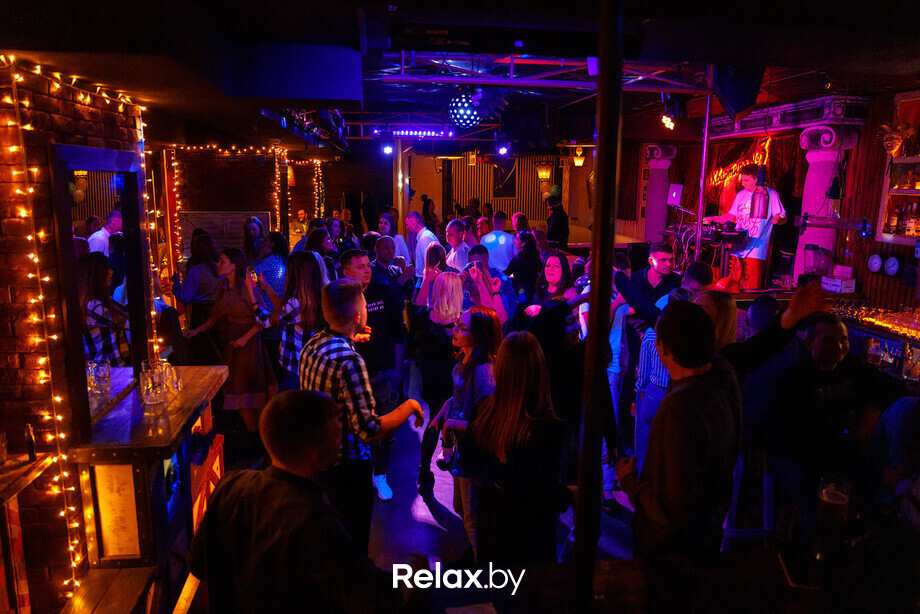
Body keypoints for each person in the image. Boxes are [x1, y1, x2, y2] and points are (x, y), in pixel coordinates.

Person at [189, 390, 421, 614]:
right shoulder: (318, 525)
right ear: (315, 453)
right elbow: (379, 600)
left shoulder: (229, 487)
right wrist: (414, 568)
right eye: (337, 433)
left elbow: (198, 565)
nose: (342, 436)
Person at [299, 279, 423, 553]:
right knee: (352, 542)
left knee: (330, 536)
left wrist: (351, 339)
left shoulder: (312, 345)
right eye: (365, 306)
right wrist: (409, 406)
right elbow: (369, 430)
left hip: (319, 459)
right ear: (358, 316)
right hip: (347, 469)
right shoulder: (350, 362)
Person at [616, 300, 742, 557]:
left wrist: (629, 482)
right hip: (709, 530)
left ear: (662, 347)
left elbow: (671, 509)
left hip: (672, 552)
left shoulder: (679, 407)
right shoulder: (723, 377)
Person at [463, 331, 564, 567]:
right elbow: (543, 495)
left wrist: (496, 480)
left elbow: (468, 463)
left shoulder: (482, 411)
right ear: (540, 369)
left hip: (492, 530)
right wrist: (570, 494)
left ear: (500, 368)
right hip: (532, 541)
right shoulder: (549, 428)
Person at [431, 305, 501, 559]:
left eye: (462, 327)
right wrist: (447, 407)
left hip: (475, 453)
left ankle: (484, 569)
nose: (455, 328)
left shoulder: (484, 372)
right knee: (460, 506)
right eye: (458, 323)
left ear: (478, 335)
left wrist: (451, 424)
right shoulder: (465, 360)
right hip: (463, 449)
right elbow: (461, 395)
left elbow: (487, 422)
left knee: (472, 515)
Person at [186, 249, 278, 433]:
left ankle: (256, 434)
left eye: (222, 261)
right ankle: (253, 433)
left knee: (246, 391)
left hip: (249, 343)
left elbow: (262, 320)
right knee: (236, 391)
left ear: (234, 266)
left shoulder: (246, 287)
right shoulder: (223, 286)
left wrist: (244, 339)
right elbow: (214, 318)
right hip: (233, 342)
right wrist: (196, 330)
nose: (217, 264)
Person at [340, 249, 408, 501]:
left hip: (382, 372)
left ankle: (380, 474)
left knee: (385, 428)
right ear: (346, 271)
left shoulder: (383, 292)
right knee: (354, 428)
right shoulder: (339, 297)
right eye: (360, 267)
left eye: (368, 265)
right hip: (352, 376)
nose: (367, 270)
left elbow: (398, 332)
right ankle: (361, 473)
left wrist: (398, 369)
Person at [411, 272, 464, 488]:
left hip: (431, 377)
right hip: (454, 379)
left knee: (434, 419)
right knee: (458, 420)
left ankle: (425, 469)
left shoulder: (425, 317)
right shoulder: (461, 322)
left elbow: (414, 343)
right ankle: (456, 463)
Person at [527, 299, 584, 485]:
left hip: (573, 432)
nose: (577, 326)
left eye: (576, 320)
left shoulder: (581, 353)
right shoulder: (543, 360)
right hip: (552, 436)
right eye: (570, 322)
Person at [704, 163, 787, 290]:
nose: (742, 183)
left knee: (750, 289)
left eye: (746, 180)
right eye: (742, 180)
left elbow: (782, 216)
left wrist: (778, 219)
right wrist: (712, 219)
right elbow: (730, 216)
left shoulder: (771, 194)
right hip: (737, 248)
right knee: (731, 287)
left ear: (756, 179)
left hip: (755, 249)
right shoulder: (741, 194)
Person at [256, 250, 326, 390]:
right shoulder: (322, 295)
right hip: (315, 364)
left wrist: (253, 296)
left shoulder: (296, 302)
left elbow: (265, 321)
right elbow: (284, 313)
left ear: (295, 274)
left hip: (297, 368)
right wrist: (266, 287)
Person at [172, 232, 223, 366]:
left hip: (201, 315)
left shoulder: (195, 271)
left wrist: (176, 284)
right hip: (219, 312)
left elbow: (185, 297)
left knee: (203, 355)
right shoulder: (219, 267)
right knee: (218, 351)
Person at [79, 252, 127, 366]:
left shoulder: (95, 302)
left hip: (107, 368)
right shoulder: (93, 306)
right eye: (107, 268)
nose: (111, 271)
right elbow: (127, 322)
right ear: (98, 275)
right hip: (105, 370)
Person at [504, 231, 542, 327]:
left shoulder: (518, 259)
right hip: (534, 288)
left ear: (523, 244)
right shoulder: (535, 257)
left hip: (521, 291)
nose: (514, 241)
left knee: (521, 314)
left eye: (517, 239)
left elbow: (506, 273)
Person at [406, 211, 438, 281]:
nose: (406, 227)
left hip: (426, 281)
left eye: (407, 224)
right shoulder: (424, 237)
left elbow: (430, 265)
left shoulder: (425, 238)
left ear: (414, 224)